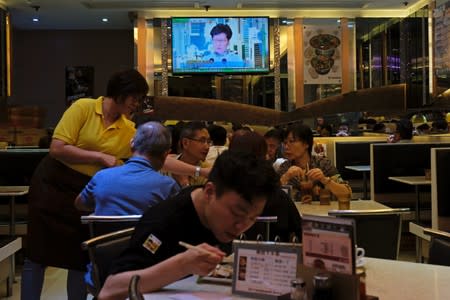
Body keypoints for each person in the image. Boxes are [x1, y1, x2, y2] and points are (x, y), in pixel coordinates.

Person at [22, 69, 150, 300]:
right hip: (52, 185)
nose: (137, 104)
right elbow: (58, 148)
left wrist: (198, 170)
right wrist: (99, 157)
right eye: (135, 98)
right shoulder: (84, 107)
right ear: (121, 92)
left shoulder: (129, 129)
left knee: (79, 257)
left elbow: (149, 156)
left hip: (84, 194)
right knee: (37, 254)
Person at [98, 151, 279, 299]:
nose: (242, 226)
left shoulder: (221, 214)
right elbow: (109, 289)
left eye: (253, 218)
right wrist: (182, 265)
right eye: (237, 213)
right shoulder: (164, 221)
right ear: (209, 192)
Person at [74, 121, 179, 215]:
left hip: (104, 236)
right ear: (166, 154)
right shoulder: (168, 186)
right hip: (146, 237)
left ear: (131, 144)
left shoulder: (101, 176)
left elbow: (80, 204)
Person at [278, 123, 351, 200]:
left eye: (291, 141)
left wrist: (324, 179)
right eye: (285, 143)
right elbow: (271, 198)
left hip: (322, 211)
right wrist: (285, 177)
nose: (286, 147)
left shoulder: (322, 164)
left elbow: (347, 194)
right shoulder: (285, 167)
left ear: (306, 144)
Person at [167, 121, 211, 187]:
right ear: (185, 143)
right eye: (202, 141)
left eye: (208, 142)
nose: (207, 147)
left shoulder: (208, 173)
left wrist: (185, 183)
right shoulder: (168, 162)